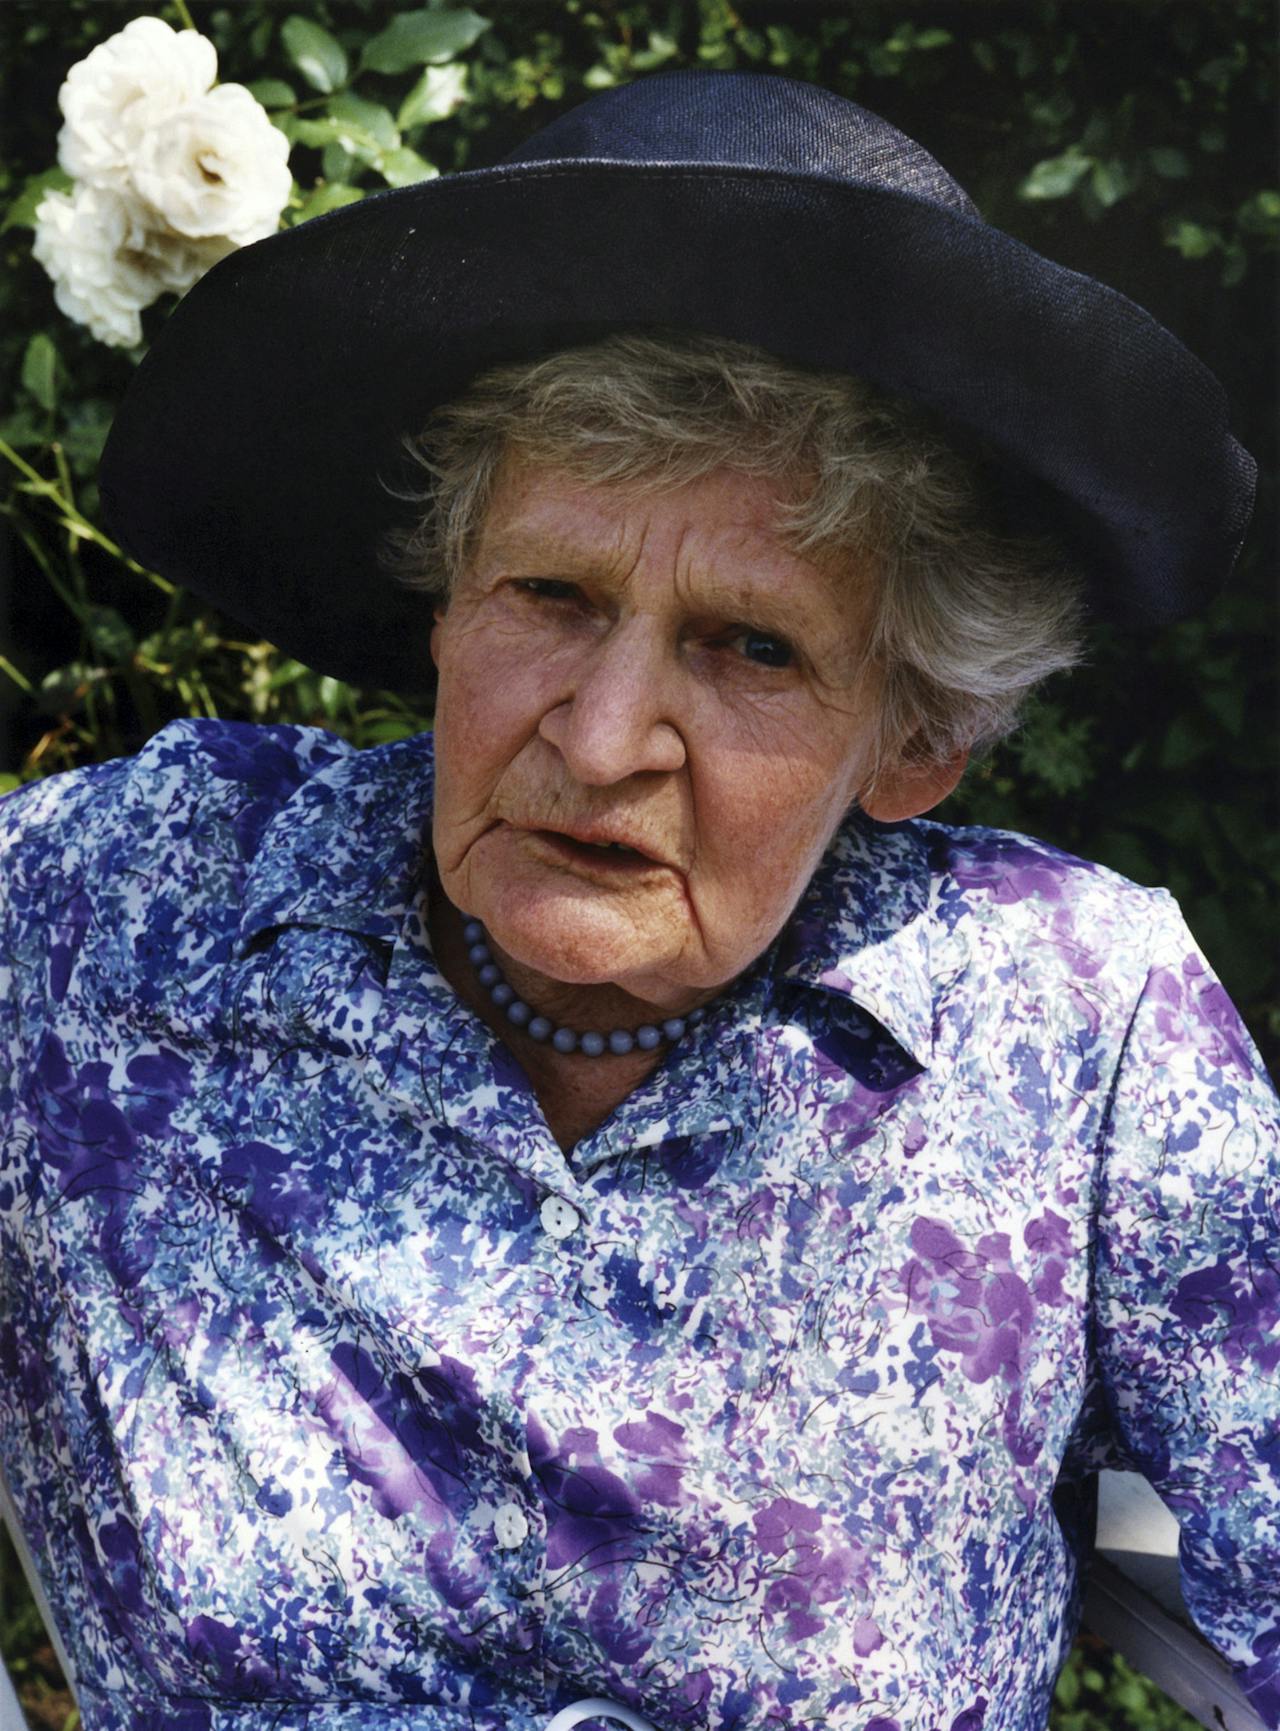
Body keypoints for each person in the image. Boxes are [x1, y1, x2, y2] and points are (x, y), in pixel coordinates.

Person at [0, 68, 1276, 1731]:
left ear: (915, 741)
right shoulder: (118, 912)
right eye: (551, 592)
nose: (602, 740)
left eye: (752, 647)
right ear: (444, 609)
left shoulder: (1074, 1030)